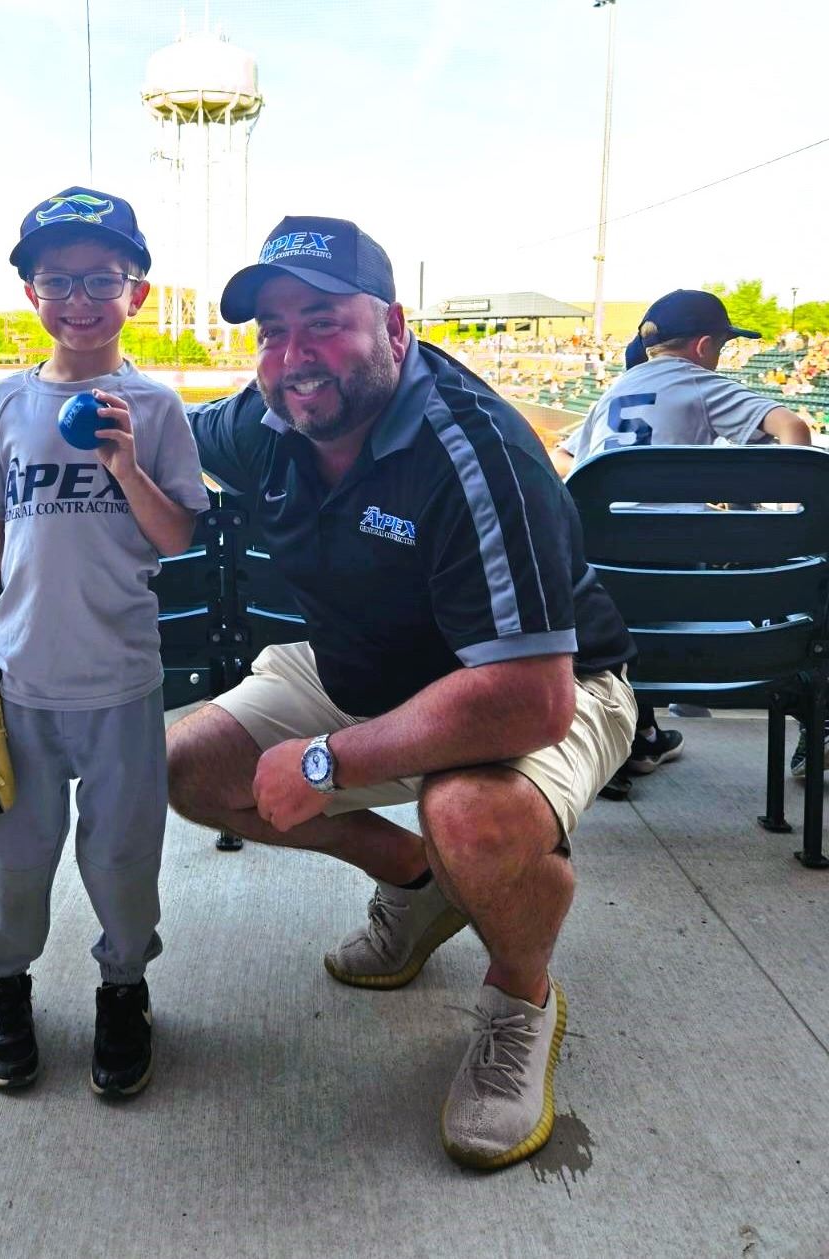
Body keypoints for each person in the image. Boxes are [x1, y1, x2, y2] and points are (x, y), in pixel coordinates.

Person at [169, 215, 636, 1169]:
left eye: (323, 320)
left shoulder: (474, 450)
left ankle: (520, 1000)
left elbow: (528, 700)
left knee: (467, 809)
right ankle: (419, 884)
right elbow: (161, 427)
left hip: (544, 683)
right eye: (270, 330)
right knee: (187, 767)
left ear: (392, 324)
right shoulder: (267, 417)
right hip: (358, 670)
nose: (294, 355)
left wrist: (325, 758)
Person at [0, 186, 210, 1097]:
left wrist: (126, 465)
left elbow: (176, 536)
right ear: (30, 291)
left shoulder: (157, 405)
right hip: (21, 679)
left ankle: (123, 985)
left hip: (122, 678)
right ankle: (5, 982)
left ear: (137, 292)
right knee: (16, 853)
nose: (81, 298)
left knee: (123, 850)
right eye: (57, 279)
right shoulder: (6, 404)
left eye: (104, 278)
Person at [554, 290, 814, 776]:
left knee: (629, 592)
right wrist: (764, 505)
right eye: (721, 344)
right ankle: (817, 724)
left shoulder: (614, 391)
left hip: (611, 611)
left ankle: (638, 735)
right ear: (701, 347)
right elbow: (793, 428)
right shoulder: (699, 382)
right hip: (704, 612)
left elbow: (563, 460)